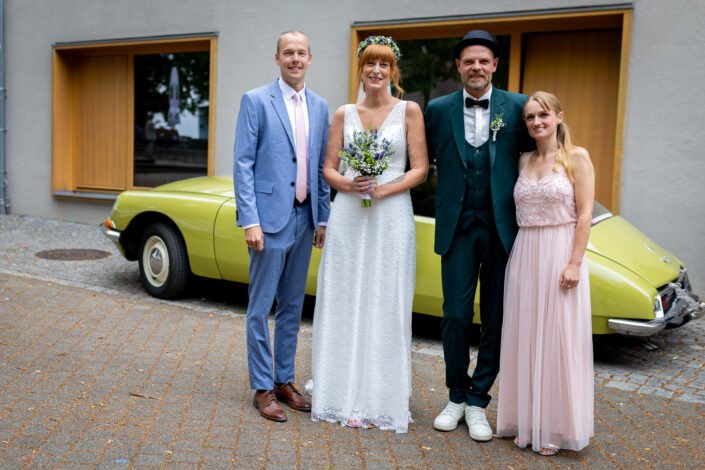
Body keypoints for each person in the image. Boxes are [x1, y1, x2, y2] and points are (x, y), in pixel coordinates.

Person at [310, 36, 428, 432]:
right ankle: (339, 389)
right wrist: (349, 184)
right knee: (345, 293)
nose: (376, 71)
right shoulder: (344, 114)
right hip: (349, 213)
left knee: (385, 294)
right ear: (360, 70)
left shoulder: (409, 111)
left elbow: (419, 168)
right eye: (369, 64)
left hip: (391, 214)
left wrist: (384, 189)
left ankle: (380, 394)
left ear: (393, 71)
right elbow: (328, 168)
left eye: (384, 65)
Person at [424, 30, 532, 442]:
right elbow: (420, 159)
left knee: (496, 317)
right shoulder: (437, 110)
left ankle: (478, 399)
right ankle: (455, 393)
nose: (476, 67)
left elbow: (541, 152)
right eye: (469, 61)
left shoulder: (518, 106)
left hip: (504, 227)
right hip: (457, 227)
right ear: (458, 66)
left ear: (495, 66)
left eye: (484, 61)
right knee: (454, 314)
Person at [233, 30, 330, 423]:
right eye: (288, 52)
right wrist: (250, 220)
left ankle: (284, 380)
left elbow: (320, 166)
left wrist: (322, 217)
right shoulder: (256, 100)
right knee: (260, 308)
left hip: (305, 219)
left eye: (301, 52)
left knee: (292, 305)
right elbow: (243, 163)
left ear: (310, 58)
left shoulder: (320, 106)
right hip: (268, 221)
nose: (295, 59)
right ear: (277, 58)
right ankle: (262, 388)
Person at [496, 91, 595, 456]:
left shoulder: (576, 157)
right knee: (527, 337)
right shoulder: (523, 160)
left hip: (560, 252)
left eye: (543, 115)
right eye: (530, 117)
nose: (537, 122)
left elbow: (585, 214)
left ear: (558, 117)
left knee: (558, 339)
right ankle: (527, 421)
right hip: (525, 253)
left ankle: (556, 426)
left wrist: (574, 262)